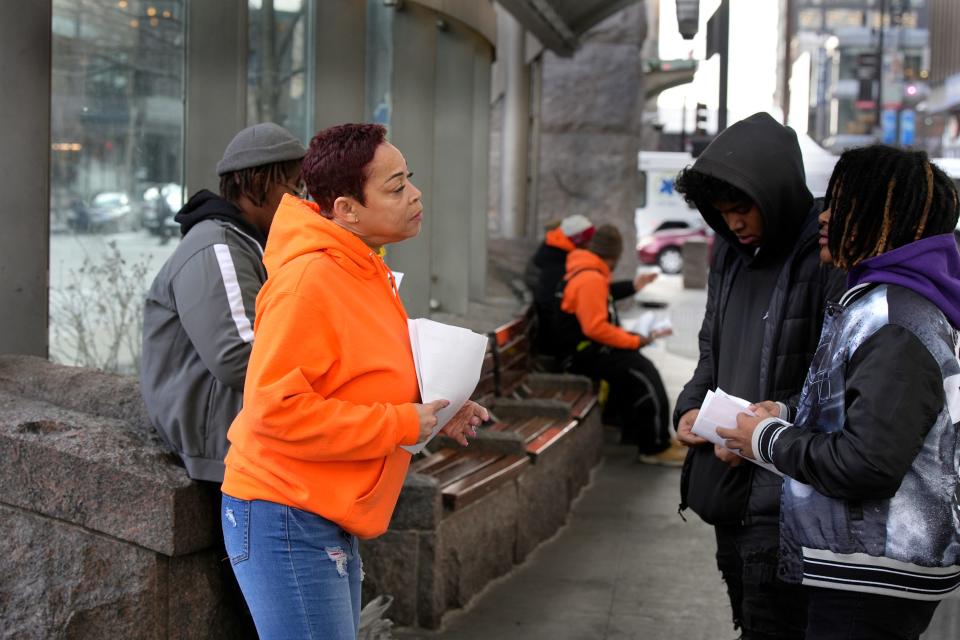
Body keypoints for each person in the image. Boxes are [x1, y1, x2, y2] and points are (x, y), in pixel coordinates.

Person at [219, 123, 489, 640]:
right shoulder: (310, 281)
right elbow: (274, 410)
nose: (415, 194)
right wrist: (402, 422)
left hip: (316, 507)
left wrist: (436, 407)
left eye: (409, 180)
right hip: (286, 513)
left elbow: (354, 376)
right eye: (395, 187)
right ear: (345, 209)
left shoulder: (361, 268)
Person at [718, 145, 960, 640]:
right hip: (862, 566)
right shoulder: (883, 302)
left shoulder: (897, 318)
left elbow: (866, 464)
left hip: (873, 577)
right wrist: (787, 413)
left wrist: (766, 439)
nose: (825, 216)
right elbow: (870, 416)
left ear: (887, 218)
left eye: (843, 203)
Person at [672, 112, 845, 638]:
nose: (734, 223)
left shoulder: (824, 252)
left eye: (741, 208)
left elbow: (836, 375)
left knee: (772, 621)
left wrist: (764, 428)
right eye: (722, 214)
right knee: (749, 616)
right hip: (725, 485)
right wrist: (689, 408)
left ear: (773, 191)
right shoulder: (728, 251)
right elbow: (711, 348)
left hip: (786, 494)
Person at [141, 122, 307, 482]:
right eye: (293, 186)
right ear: (256, 183)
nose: (301, 200)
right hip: (221, 448)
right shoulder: (218, 247)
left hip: (237, 443)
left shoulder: (245, 243)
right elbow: (239, 358)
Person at [556, 223, 683, 464]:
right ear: (614, 256)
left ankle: (645, 436)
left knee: (636, 372)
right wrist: (634, 340)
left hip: (583, 351)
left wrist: (635, 287)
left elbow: (603, 299)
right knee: (644, 375)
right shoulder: (591, 278)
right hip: (585, 355)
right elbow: (596, 328)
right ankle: (655, 447)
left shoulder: (585, 271)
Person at [525, 214, 596, 356]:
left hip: (551, 331)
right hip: (554, 341)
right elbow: (551, 305)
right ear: (579, 241)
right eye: (589, 241)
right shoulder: (559, 261)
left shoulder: (553, 251)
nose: (591, 246)